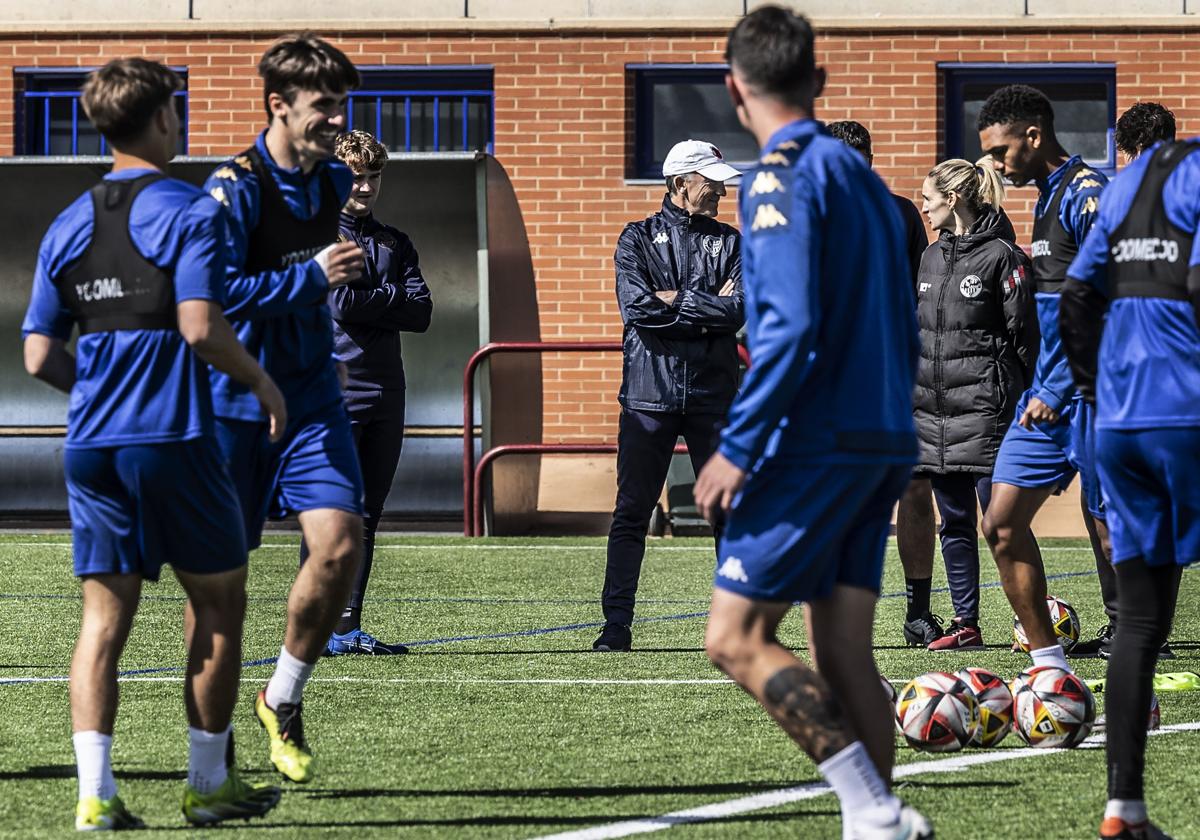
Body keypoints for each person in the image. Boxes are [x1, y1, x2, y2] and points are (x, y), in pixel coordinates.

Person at [21, 58, 286, 829]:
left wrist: (103, 393)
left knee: (102, 621)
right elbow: (201, 327)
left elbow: (38, 354)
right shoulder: (190, 208)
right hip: (174, 437)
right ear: (164, 119)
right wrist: (262, 384)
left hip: (92, 445)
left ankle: (95, 796)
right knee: (218, 604)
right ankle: (209, 785)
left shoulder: (67, 222)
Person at [695, 7, 930, 838]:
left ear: (733, 89)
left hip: (816, 442)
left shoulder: (777, 176)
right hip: (882, 439)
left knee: (734, 635)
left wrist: (737, 446)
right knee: (843, 649)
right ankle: (876, 819)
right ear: (819, 82)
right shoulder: (867, 182)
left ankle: (872, 808)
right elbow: (904, 313)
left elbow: (787, 328)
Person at [202, 33, 365, 783]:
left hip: (312, 398)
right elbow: (216, 302)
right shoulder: (230, 189)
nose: (338, 119)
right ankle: (213, 757)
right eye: (325, 105)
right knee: (220, 591)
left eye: (343, 104)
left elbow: (315, 274)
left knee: (338, 544)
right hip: (233, 405)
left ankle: (284, 697)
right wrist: (312, 280)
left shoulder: (332, 186)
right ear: (279, 103)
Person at [1060, 138, 1200, 840]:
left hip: (1120, 421)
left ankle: (1125, 811)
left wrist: (1094, 392)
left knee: (1140, 622)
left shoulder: (1119, 186)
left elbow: (1077, 297)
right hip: (1187, 411)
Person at [594, 138, 744, 652]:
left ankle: (737, 628)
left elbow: (740, 311)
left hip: (714, 397)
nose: (722, 190)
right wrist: (706, 312)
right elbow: (637, 308)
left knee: (728, 512)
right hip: (647, 396)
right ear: (682, 184)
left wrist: (677, 300)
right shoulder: (635, 238)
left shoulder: (733, 242)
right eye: (712, 181)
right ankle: (616, 627)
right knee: (632, 511)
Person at [976, 84, 1108, 667]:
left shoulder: (1089, 195)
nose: (998, 164)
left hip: (1096, 394)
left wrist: (1061, 386)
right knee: (1001, 524)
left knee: (1110, 532)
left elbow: (1112, 301)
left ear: (1034, 135)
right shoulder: (1043, 197)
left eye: (1003, 150)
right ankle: (1049, 667)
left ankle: (1134, 650)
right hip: (1047, 395)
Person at [303, 129, 433, 656]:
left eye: (373, 175)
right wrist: (390, 297)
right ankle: (313, 627)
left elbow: (421, 313)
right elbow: (342, 307)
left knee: (367, 516)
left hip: (387, 391)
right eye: (356, 175)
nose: (365, 185)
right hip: (336, 392)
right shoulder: (320, 237)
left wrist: (373, 296)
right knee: (332, 514)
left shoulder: (395, 242)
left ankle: (347, 628)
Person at [913, 159, 1038, 651]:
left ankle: (1031, 624)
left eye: (929, 197)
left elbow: (1026, 337)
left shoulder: (1003, 256)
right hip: (933, 411)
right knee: (955, 523)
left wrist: (1025, 400)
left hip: (988, 412)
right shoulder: (928, 258)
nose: (923, 206)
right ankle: (966, 625)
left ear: (954, 199)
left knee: (1001, 525)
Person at [1069, 100, 1178, 660]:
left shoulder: (1114, 202)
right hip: (1145, 384)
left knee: (1123, 507)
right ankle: (1135, 627)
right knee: (1125, 507)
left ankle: (1136, 628)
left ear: (1127, 150)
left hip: (1125, 385)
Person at [827, 118, 941, 646]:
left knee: (913, 489)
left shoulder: (900, 213)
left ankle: (918, 611)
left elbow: (924, 288)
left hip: (898, 374)